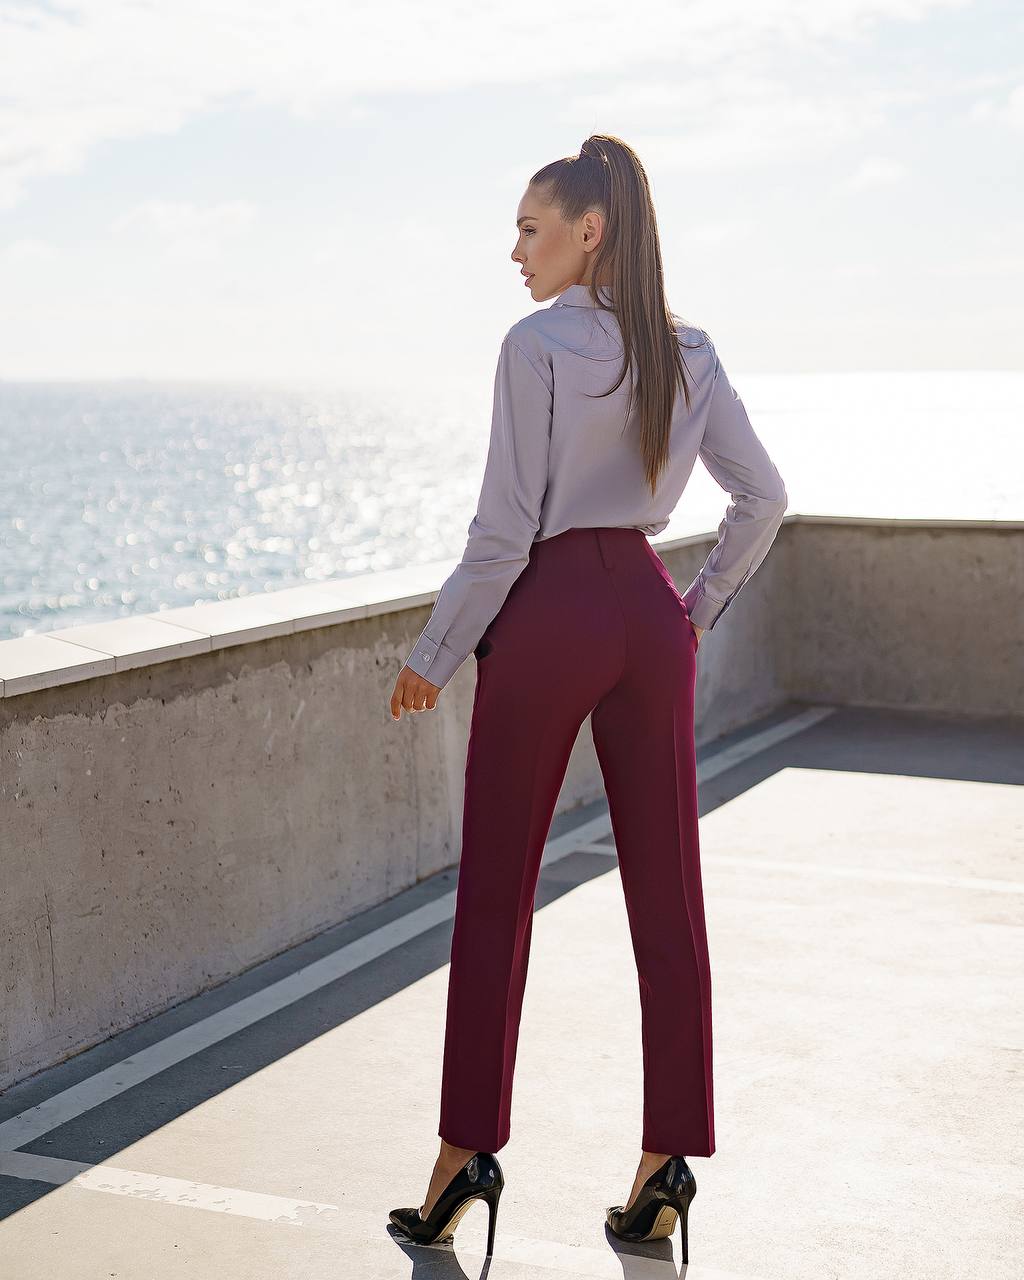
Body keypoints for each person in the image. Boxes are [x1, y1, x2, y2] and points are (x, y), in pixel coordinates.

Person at [387, 134, 788, 1260]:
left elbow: (504, 531)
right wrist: (693, 611)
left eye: (529, 227)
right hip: (650, 616)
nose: (514, 250)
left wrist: (433, 650)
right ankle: (667, 1164)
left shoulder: (534, 346)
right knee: (669, 897)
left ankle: (463, 1151)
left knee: (496, 894)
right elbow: (764, 498)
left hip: (552, 614)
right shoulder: (689, 349)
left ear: (589, 230)